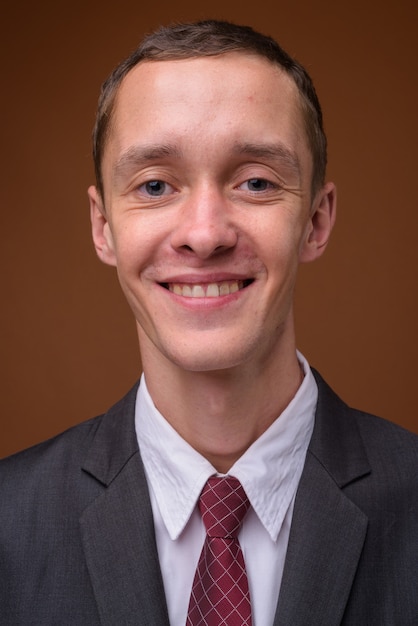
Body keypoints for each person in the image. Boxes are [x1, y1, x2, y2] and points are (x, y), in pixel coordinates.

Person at [1, 19, 417, 626]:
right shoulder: (9, 522)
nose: (204, 234)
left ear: (317, 221)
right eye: (155, 185)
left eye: (255, 181)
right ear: (102, 226)